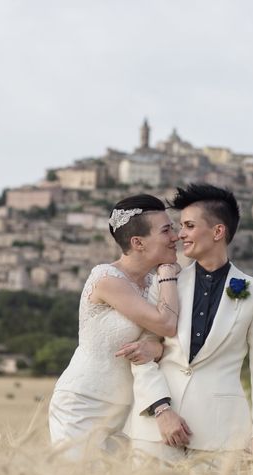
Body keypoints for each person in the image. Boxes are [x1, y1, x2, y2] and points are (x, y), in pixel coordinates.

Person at [124, 184, 253, 464]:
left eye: (189, 225)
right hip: (155, 431)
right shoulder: (163, 283)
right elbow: (143, 353)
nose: (180, 234)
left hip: (221, 436)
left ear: (218, 232)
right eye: (180, 226)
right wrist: (161, 409)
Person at [48, 194, 182, 458]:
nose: (175, 236)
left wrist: (153, 349)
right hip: (82, 404)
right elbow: (166, 323)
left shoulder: (152, 284)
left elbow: (162, 341)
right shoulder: (107, 278)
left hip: (126, 411)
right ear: (137, 242)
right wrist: (168, 274)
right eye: (166, 230)